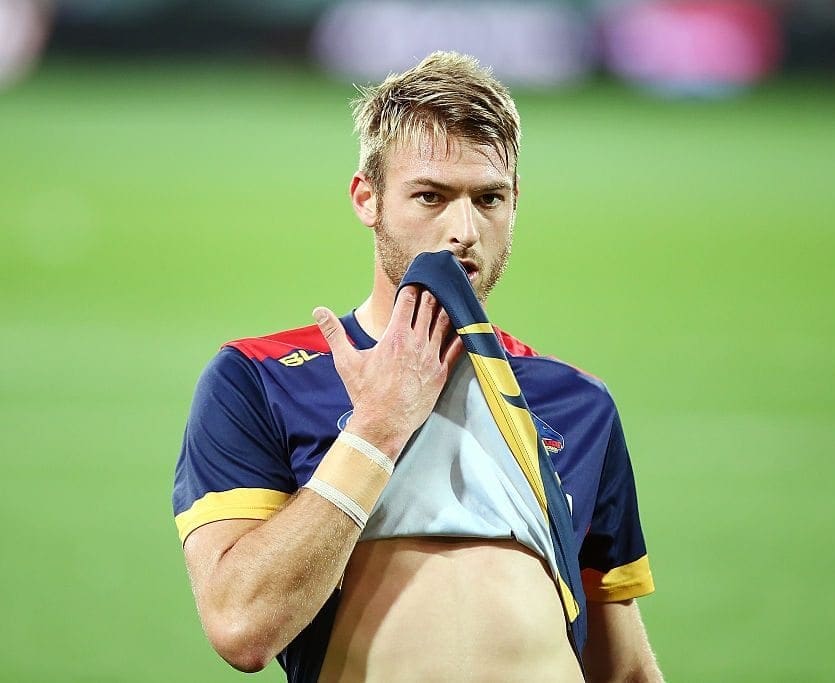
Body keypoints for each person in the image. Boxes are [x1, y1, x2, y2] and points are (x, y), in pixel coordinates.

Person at [173, 51, 662, 682]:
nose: (463, 228)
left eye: (489, 198)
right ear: (367, 199)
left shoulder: (576, 402)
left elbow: (622, 670)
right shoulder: (261, 377)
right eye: (431, 195)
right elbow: (241, 627)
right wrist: (377, 427)